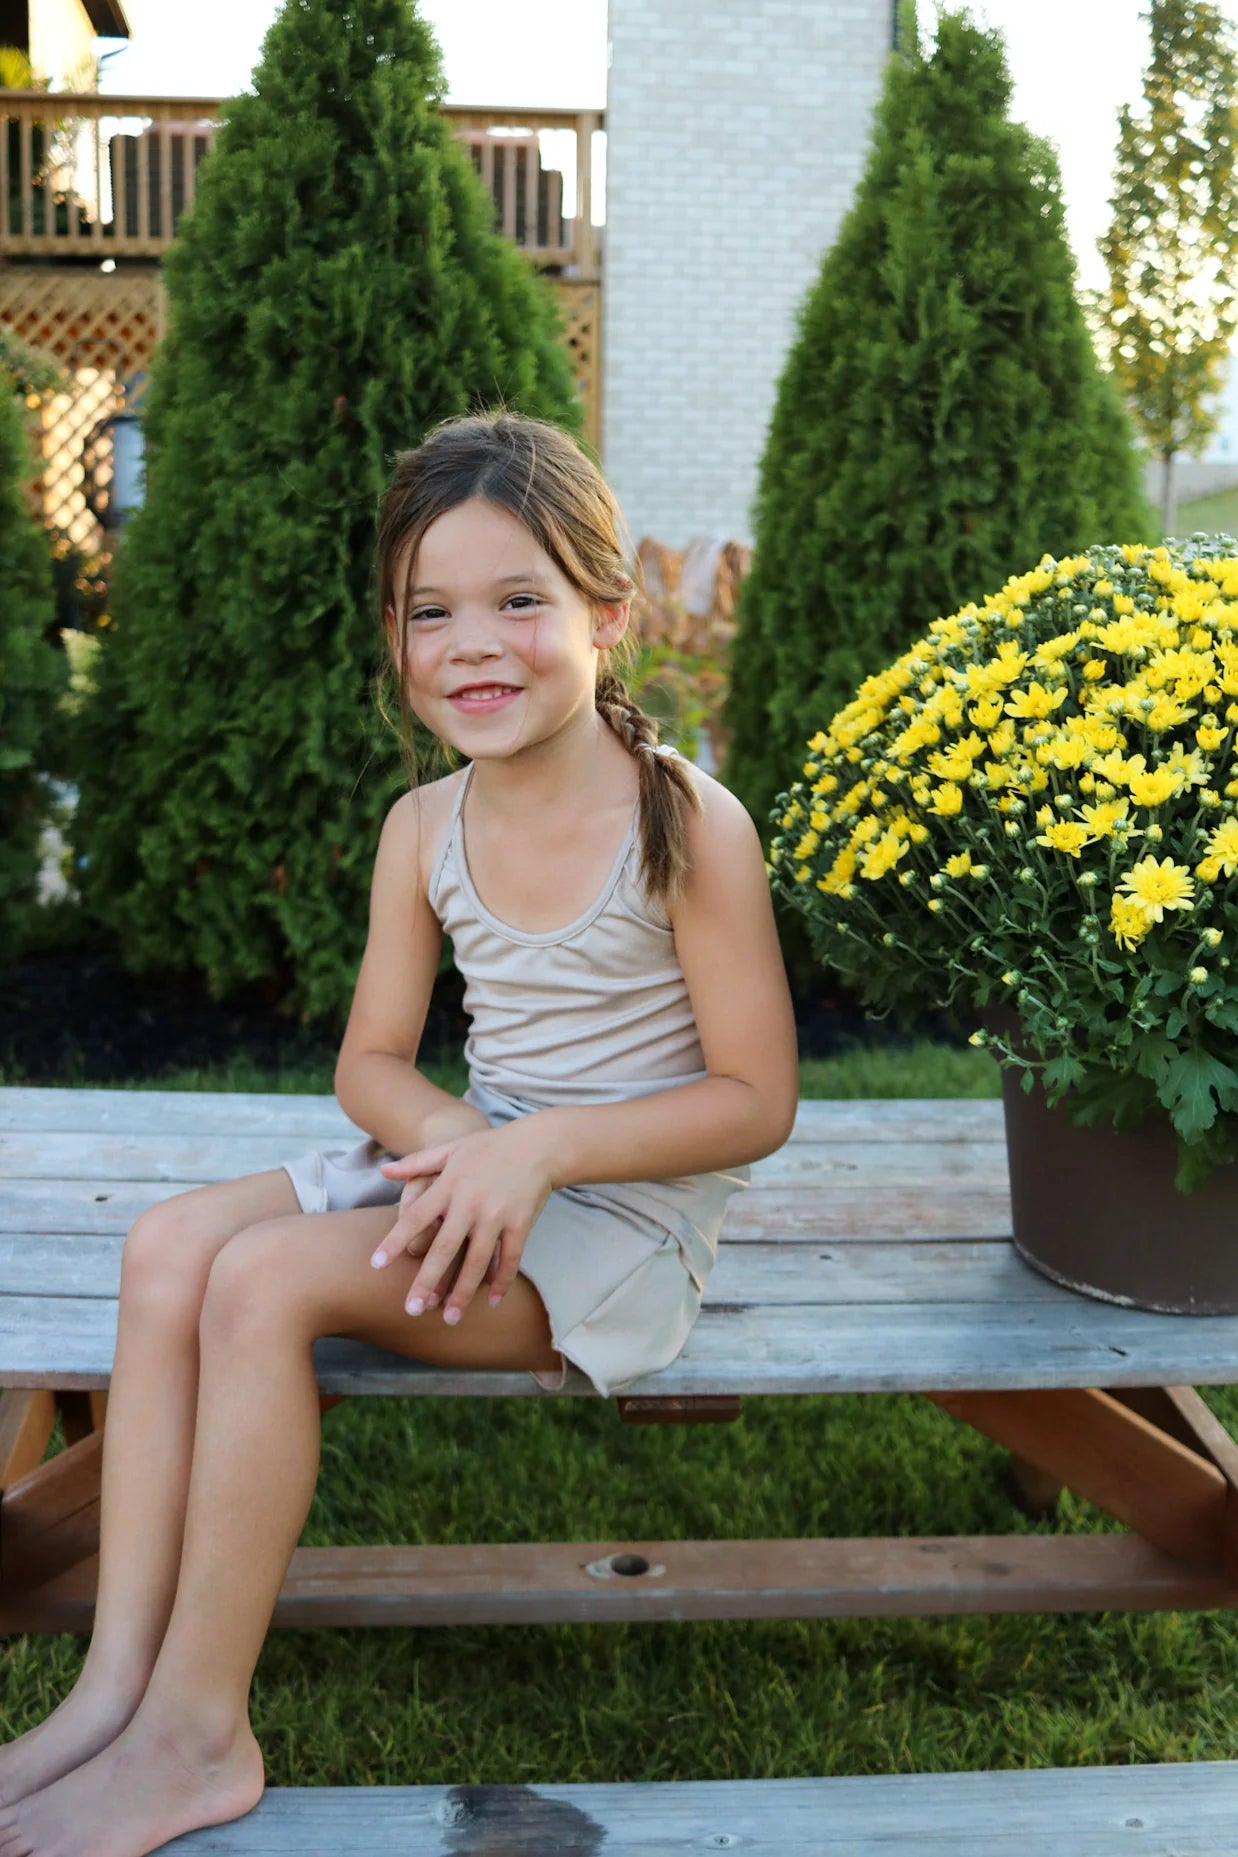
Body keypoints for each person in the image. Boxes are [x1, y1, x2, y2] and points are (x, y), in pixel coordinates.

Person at [0, 410, 799, 1857]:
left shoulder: (686, 822)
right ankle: (111, 1688)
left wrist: (538, 1151)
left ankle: (197, 1730)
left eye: (520, 601)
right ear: (393, 633)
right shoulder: (419, 824)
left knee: (264, 1280)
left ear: (609, 617)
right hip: (476, 1144)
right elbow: (370, 1060)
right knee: (170, 1244)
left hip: (617, 1219)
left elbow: (755, 1100)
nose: (473, 644)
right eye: (432, 610)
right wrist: (463, 1134)